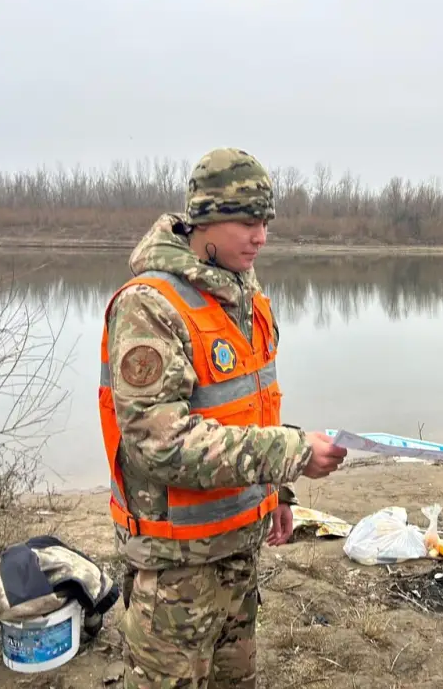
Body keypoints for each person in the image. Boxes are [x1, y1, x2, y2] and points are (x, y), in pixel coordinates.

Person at [97, 146, 348, 688]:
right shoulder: (151, 306)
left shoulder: (246, 299)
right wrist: (294, 453)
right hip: (175, 565)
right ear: (207, 221)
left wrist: (276, 493)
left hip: (239, 551)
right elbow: (159, 444)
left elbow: (251, 411)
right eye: (249, 223)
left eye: (266, 224)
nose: (261, 237)